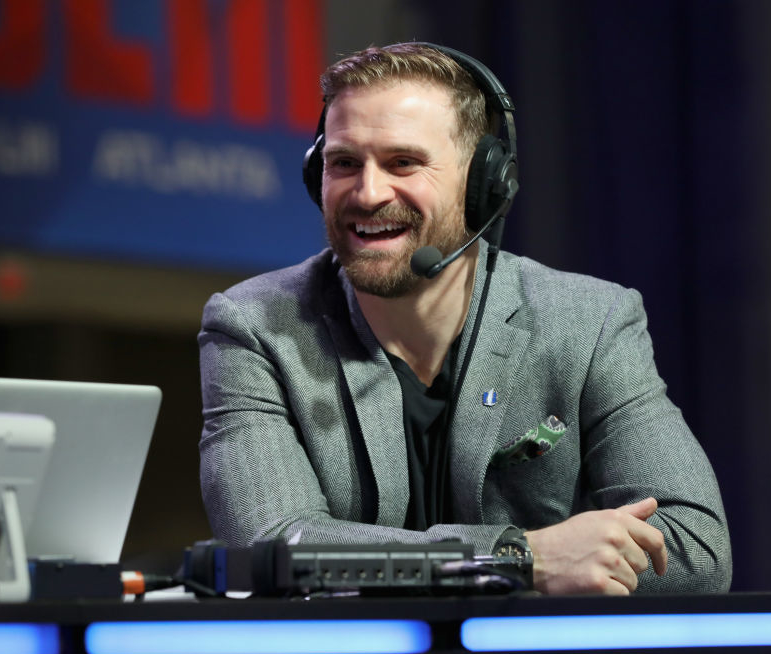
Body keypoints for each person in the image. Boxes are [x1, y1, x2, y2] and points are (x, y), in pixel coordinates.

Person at [198, 42, 732, 595]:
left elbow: (696, 550)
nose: (369, 192)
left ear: (483, 185)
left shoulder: (589, 323)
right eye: (345, 163)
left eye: (403, 162)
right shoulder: (254, 327)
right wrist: (517, 558)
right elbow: (268, 549)